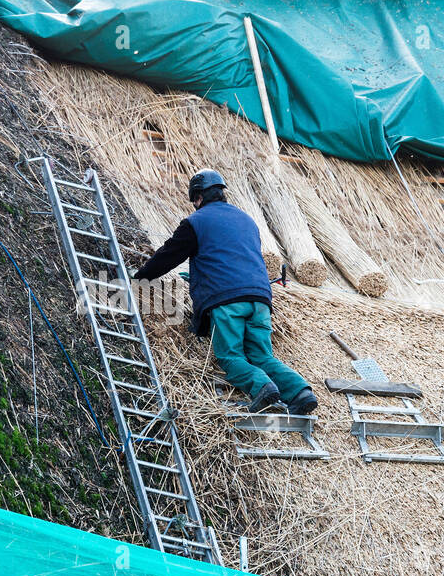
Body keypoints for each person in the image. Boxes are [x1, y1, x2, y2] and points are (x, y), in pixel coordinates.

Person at [133, 169, 318, 416]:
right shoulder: (247, 220)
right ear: (221, 193)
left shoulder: (196, 222)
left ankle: (262, 387)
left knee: (230, 356)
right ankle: (300, 392)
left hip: (227, 301)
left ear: (197, 197)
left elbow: (169, 255)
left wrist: (140, 277)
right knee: (262, 355)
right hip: (261, 300)